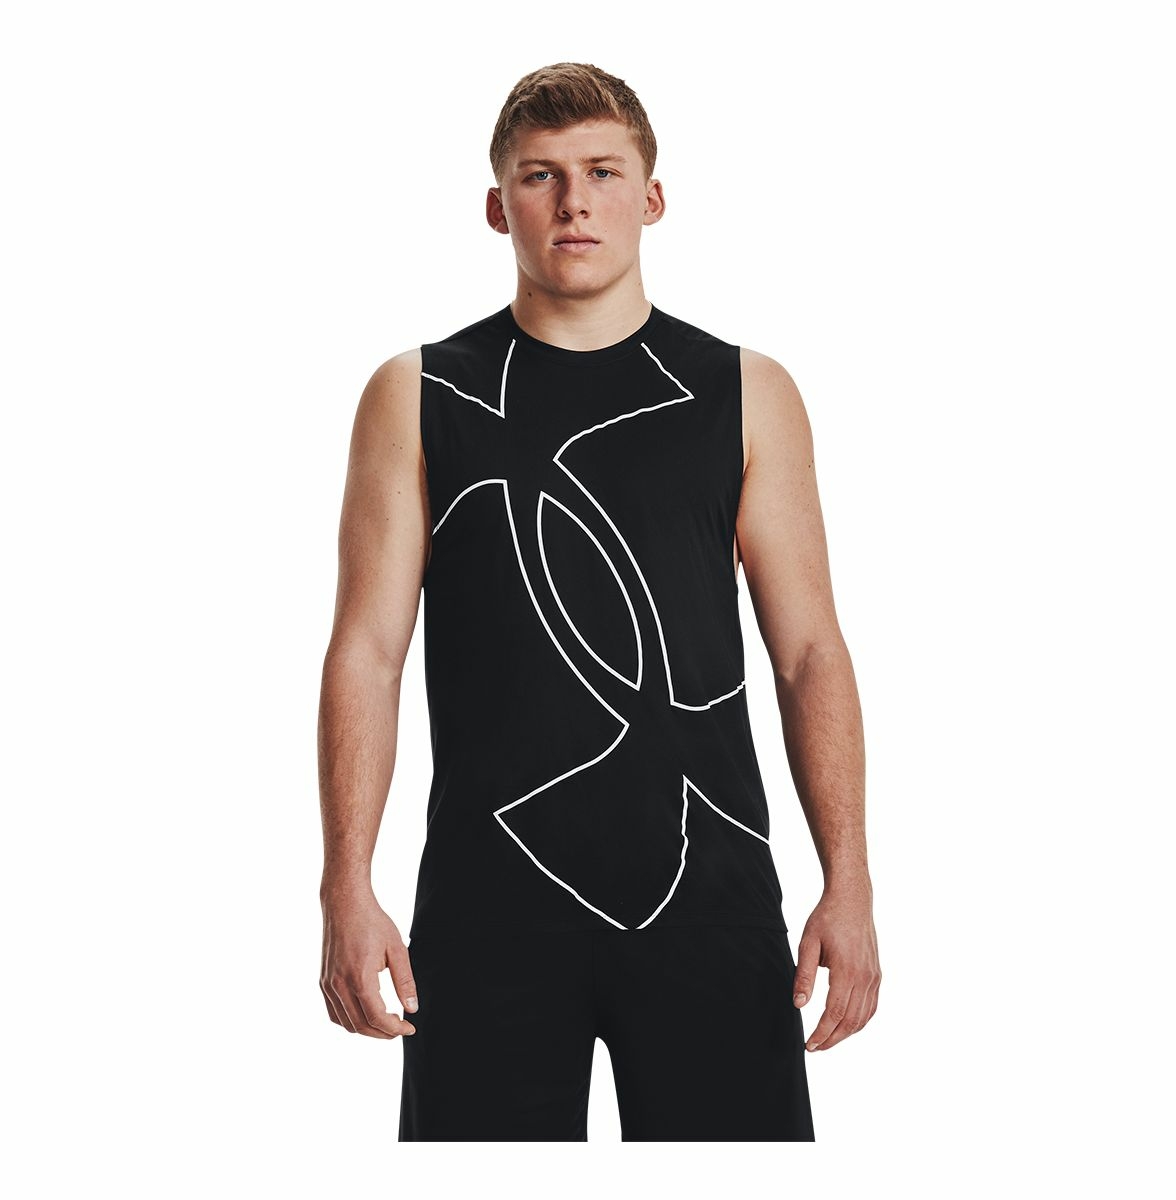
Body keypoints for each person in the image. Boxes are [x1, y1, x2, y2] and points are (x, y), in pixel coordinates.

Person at [317, 61, 880, 1143]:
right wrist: (346, 885)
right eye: (541, 176)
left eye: (603, 172)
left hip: (709, 887)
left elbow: (809, 651)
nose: (574, 202)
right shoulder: (420, 393)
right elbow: (367, 653)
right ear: (498, 206)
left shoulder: (744, 391)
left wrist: (847, 883)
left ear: (651, 197)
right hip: (487, 900)